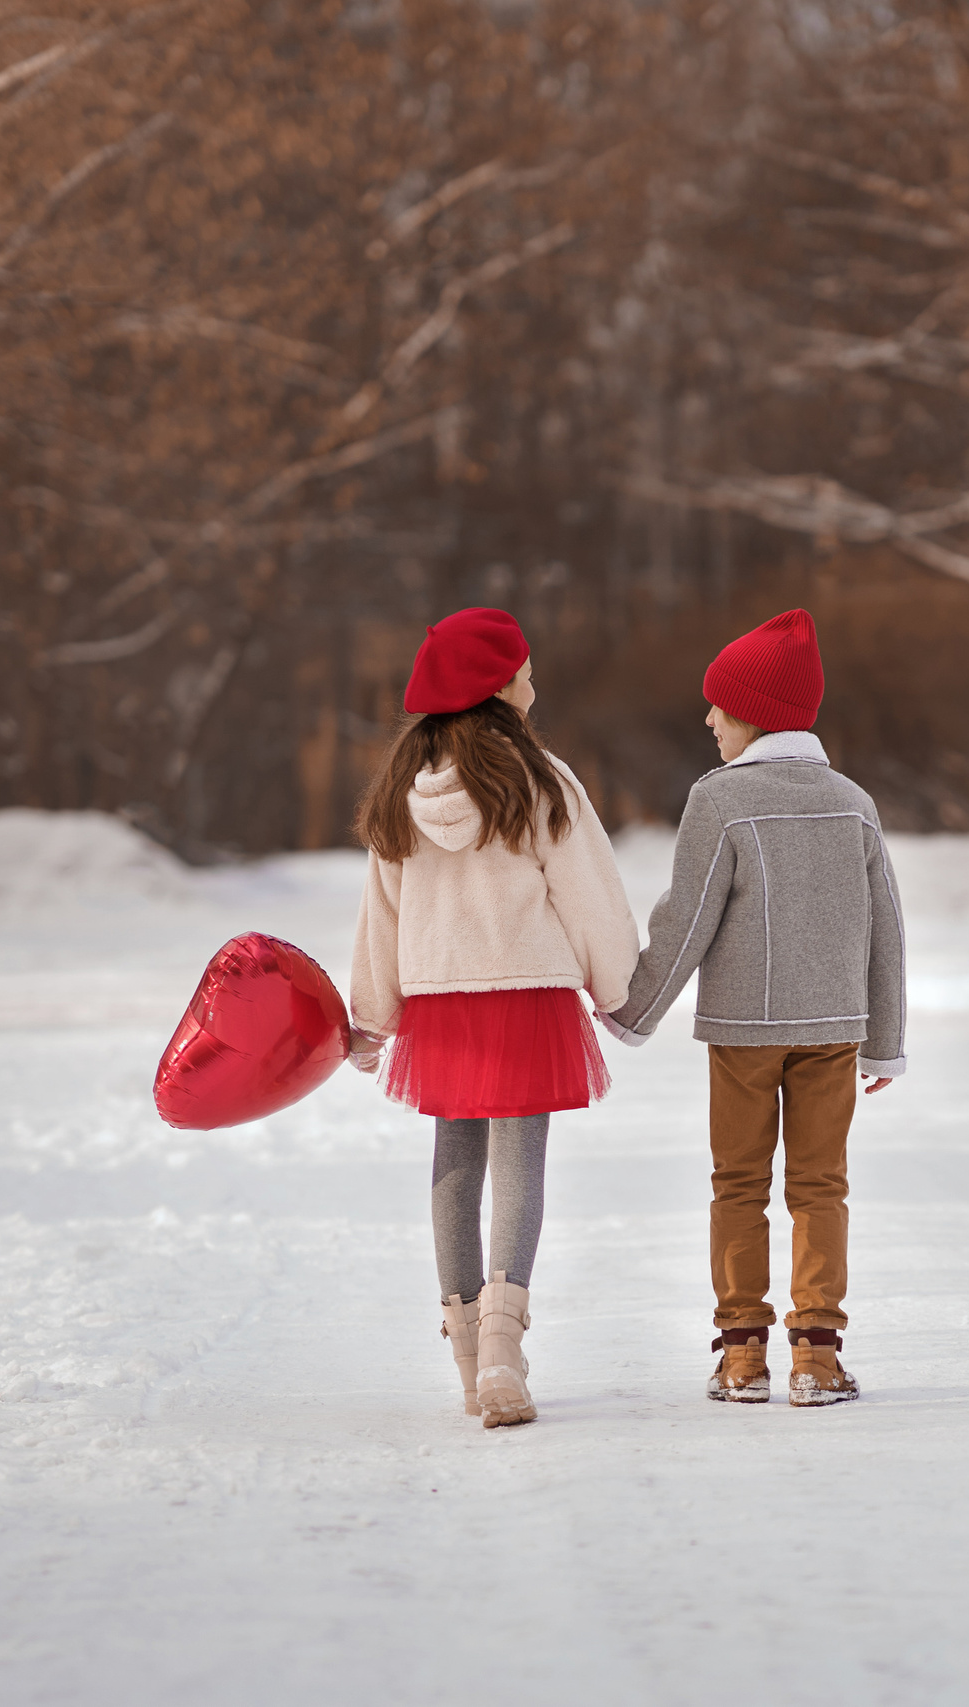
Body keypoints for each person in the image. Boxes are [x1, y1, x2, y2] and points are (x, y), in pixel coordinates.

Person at [599, 609, 906, 1406]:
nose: (708, 720)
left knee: (737, 1184)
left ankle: (742, 1355)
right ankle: (817, 1355)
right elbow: (888, 932)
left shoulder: (720, 801)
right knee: (820, 1187)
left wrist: (634, 1011)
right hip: (834, 1030)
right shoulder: (853, 801)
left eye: (720, 707)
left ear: (756, 715)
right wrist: (886, 1041)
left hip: (742, 1031)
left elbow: (685, 918)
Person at [348, 608, 640, 1429]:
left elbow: (382, 914)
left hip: (440, 1000)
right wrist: (618, 991)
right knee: (520, 1158)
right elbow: (590, 895)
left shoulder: (402, 795)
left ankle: (469, 1352)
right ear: (498, 687)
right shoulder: (543, 780)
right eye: (524, 671)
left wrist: (372, 1018)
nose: (532, 683)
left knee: (454, 1157)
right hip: (528, 992)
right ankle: (508, 1343)